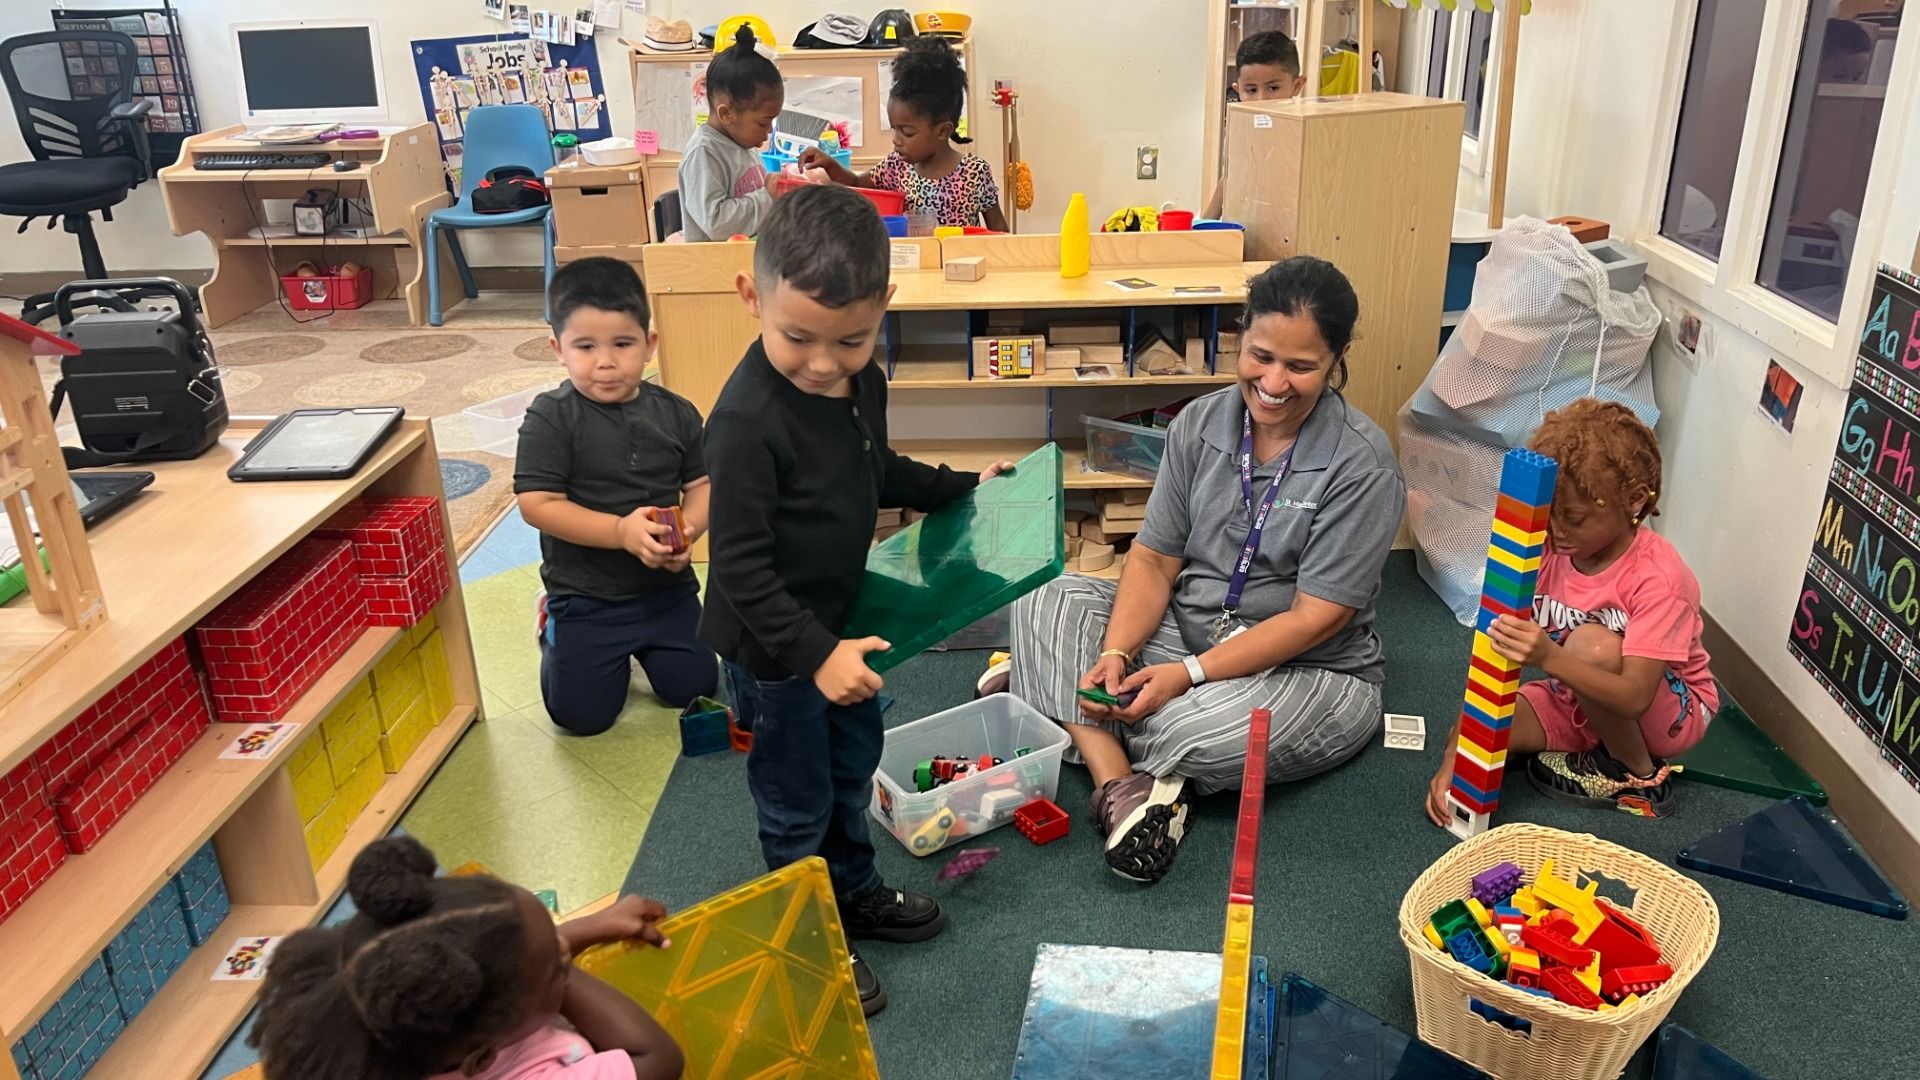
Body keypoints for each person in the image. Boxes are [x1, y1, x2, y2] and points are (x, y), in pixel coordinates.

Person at [700, 184, 1011, 1015]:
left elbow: (874, 468)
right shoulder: (743, 423)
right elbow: (737, 565)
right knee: (794, 799)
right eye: (796, 336)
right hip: (777, 652)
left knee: (846, 774)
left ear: (884, 308)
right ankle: (810, 934)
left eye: (851, 338)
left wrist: (957, 487)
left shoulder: (860, 376)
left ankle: (854, 892)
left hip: (844, 630)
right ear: (750, 297)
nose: (823, 362)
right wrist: (816, 655)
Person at [1011, 257, 1405, 884]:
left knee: (1193, 730)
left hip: (1309, 668)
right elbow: (1154, 555)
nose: (1274, 382)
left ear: (1338, 358)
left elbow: (1316, 618)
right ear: (1240, 336)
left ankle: (1062, 703)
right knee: (1043, 599)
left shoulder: (1362, 463)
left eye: (1300, 367)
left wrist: (1185, 675)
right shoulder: (1199, 422)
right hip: (1193, 632)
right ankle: (1123, 787)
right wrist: (1118, 648)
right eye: (1261, 356)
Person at [1425, 400, 1714, 825]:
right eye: (1551, 515)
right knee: (1481, 727)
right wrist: (1456, 759)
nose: (1557, 531)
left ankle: (1638, 774)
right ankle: (1590, 745)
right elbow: (1493, 651)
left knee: (1590, 645)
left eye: (1574, 519)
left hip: (1666, 710)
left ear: (1633, 500)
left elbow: (1634, 696)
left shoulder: (1660, 578)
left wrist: (1549, 658)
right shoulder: (1545, 548)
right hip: (1576, 691)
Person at [249, 835, 684, 1080]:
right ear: (484, 1051)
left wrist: (560, 948)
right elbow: (659, 1059)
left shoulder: (375, 1005)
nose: (564, 948)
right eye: (556, 967)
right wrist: (559, 962)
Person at [515, 257, 716, 736]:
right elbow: (537, 504)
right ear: (557, 348)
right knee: (581, 718)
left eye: (622, 344)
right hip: (586, 596)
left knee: (696, 690)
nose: (604, 362)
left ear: (649, 345)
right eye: (585, 346)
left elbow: (705, 486)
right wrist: (621, 532)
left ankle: (647, 652)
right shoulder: (550, 417)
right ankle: (552, 630)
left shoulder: (677, 413)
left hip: (665, 592)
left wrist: (687, 531)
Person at [799, 35, 1007, 231]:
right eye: (894, 128)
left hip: (961, 267)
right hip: (913, 268)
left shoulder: (975, 173)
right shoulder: (896, 167)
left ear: (942, 131)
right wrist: (829, 164)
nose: (896, 140)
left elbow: (1000, 231)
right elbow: (855, 184)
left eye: (907, 132)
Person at [678, 25, 784, 241]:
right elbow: (717, 225)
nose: (769, 131)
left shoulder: (741, 142)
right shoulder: (704, 153)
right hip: (714, 269)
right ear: (727, 114)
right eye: (763, 123)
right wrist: (768, 195)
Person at [1204, 31, 1307, 221]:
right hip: (1245, 225)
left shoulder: (1303, 131)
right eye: (1251, 90)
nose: (1261, 99)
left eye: (1273, 88)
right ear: (1238, 90)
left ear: (1297, 85)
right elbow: (1230, 176)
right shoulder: (1240, 129)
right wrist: (1205, 223)